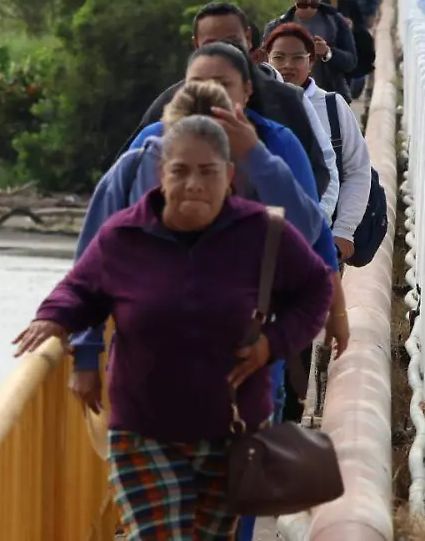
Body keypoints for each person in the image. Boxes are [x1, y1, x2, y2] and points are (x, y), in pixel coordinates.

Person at [14, 115, 333, 541]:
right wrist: (52, 317)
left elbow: (315, 290)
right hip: (144, 431)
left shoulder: (262, 232)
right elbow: (81, 289)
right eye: (180, 171)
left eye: (208, 172)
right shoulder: (124, 236)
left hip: (230, 434)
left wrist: (273, 343)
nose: (194, 184)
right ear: (160, 175)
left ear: (230, 176)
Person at [67, 62, 347, 411]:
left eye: (209, 161)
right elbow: (89, 271)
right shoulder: (136, 167)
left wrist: (257, 157)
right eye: (182, 162)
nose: (194, 180)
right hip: (146, 392)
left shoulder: (259, 168)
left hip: (242, 391)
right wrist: (85, 354)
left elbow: (308, 232)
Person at [120, 1, 338, 215]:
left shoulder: (287, 107)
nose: (223, 53)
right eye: (212, 44)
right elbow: (120, 196)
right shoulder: (161, 116)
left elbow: (317, 176)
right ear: (197, 45)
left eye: (232, 42)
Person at [266, 23, 372, 262]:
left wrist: (343, 231)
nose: (287, 66)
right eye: (279, 57)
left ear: (311, 61)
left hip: (323, 242)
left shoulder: (333, 107)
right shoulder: (256, 107)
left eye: (297, 58)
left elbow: (357, 171)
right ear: (266, 59)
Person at [264, 0, 358, 102]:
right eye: (303, 3)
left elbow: (351, 61)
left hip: (328, 97)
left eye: (314, 4)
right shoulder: (277, 26)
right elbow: (264, 65)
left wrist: (327, 53)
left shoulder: (336, 22)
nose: (308, 9)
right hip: (287, 98)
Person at [323, 0, 375, 99]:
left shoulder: (351, 5)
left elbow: (362, 29)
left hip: (346, 54)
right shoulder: (319, 6)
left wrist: (351, 27)